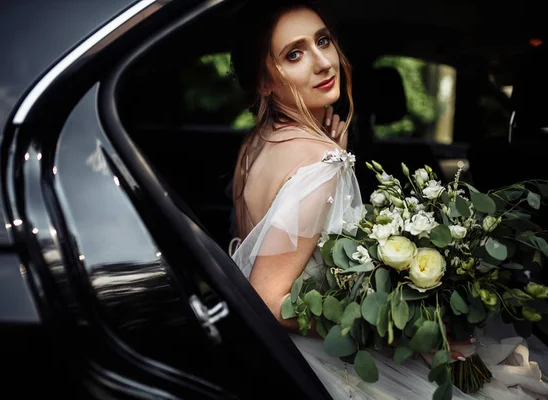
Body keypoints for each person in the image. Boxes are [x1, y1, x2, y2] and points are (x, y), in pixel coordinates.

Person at [227, 1, 548, 399]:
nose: (323, 62)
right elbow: (268, 298)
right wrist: (393, 332)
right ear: (264, 82)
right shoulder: (320, 162)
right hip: (319, 359)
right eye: (294, 54)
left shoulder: (257, 144)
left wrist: (327, 151)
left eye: (323, 41)